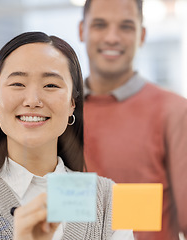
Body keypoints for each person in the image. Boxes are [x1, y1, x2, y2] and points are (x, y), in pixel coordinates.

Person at [0, 32, 134, 240]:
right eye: (17, 84)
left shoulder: (108, 199)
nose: (32, 100)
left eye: (51, 85)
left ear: (73, 104)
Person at [79, 0, 187, 239]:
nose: (112, 37)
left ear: (142, 35)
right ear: (81, 31)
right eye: (99, 25)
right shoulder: (59, 112)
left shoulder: (174, 111)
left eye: (126, 27)